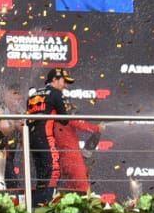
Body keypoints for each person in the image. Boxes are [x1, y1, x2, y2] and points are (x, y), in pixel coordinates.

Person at [27, 68, 100, 204]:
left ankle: (37, 205)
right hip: (48, 139)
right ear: (54, 80)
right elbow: (65, 119)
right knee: (54, 172)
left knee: (42, 175)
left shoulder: (34, 94)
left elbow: (29, 118)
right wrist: (95, 127)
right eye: (63, 81)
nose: (65, 85)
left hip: (31, 139)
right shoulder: (56, 94)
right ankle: (47, 204)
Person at [0, 88, 25, 191]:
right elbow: (5, 129)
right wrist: (16, 123)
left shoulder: (18, 112)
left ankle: (3, 196)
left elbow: (24, 130)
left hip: (9, 155)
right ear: (6, 96)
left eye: (19, 96)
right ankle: (2, 199)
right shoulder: (0, 108)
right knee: (11, 183)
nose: (18, 99)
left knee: (10, 183)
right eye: (14, 94)